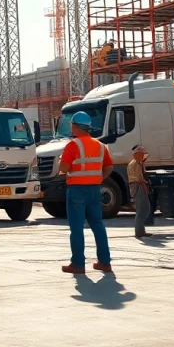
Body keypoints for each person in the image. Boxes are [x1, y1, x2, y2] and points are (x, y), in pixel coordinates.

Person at [59, 111, 113, 274]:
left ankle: (78, 264)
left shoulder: (72, 145)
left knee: (76, 228)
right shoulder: (101, 145)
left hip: (76, 190)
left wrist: (64, 161)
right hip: (94, 189)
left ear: (75, 127)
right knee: (97, 225)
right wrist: (97, 178)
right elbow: (109, 167)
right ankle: (104, 262)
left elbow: (63, 168)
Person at [129, 145, 152, 239]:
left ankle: (141, 230)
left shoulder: (134, 163)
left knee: (142, 209)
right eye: (142, 154)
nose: (143, 156)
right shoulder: (136, 164)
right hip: (139, 186)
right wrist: (145, 187)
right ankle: (139, 231)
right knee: (143, 209)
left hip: (136, 186)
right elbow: (140, 179)